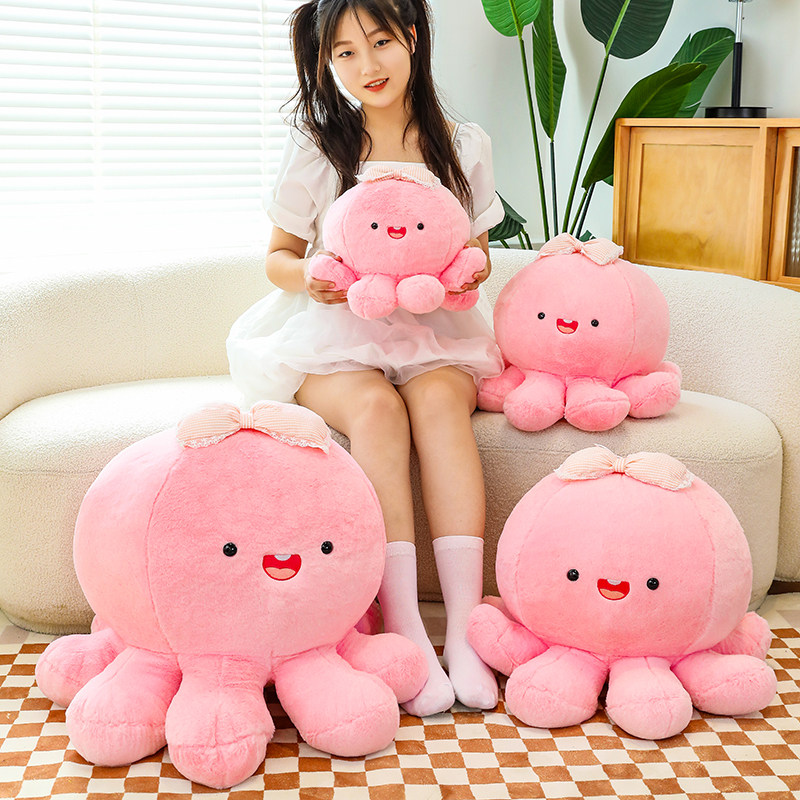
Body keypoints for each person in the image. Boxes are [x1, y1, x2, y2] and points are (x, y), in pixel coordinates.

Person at [227, 0, 504, 716]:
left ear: (411, 37)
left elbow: (476, 250)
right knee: (379, 412)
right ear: (327, 63)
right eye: (345, 53)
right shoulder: (322, 145)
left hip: (434, 325)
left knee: (438, 405)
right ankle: (406, 626)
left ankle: (466, 630)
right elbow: (277, 258)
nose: (366, 66)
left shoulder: (462, 143)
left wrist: (469, 271)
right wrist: (312, 274)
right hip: (336, 330)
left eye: (379, 42)